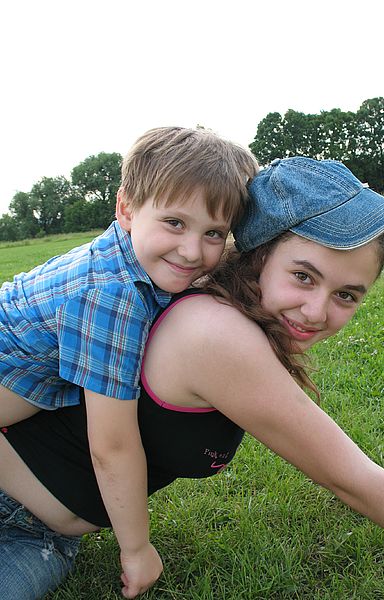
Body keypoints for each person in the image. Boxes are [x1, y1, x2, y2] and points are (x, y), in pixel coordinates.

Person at [0, 157, 384, 599]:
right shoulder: (210, 332)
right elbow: (349, 479)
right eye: (303, 276)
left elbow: (330, 454)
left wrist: (383, 487)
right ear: (257, 258)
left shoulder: (207, 300)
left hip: (41, 535)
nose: (317, 312)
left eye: (346, 295)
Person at [0, 126, 258, 596]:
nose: (192, 250)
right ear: (126, 208)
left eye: (214, 233)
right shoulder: (112, 297)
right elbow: (112, 444)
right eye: (175, 223)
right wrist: (136, 549)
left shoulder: (137, 265)